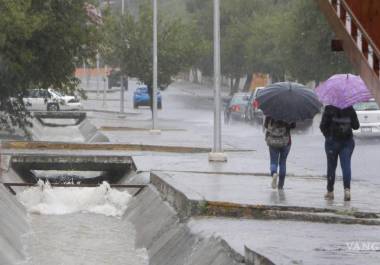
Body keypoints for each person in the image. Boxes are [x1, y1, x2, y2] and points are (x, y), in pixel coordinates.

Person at [320, 105, 359, 201]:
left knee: (331, 167)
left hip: (332, 142)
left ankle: (330, 192)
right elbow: (356, 126)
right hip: (347, 141)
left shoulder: (329, 109)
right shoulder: (349, 108)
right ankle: (347, 190)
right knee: (346, 165)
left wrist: (328, 136)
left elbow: (322, 126)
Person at [264, 117, 296, 190]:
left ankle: (274, 173)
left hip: (273, 141)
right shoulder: (289, 113)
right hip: (286, 142)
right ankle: (281, 185)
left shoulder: (270, 111)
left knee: (273, 161)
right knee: (282, 163)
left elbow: (266, 125)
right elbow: (293, 126)